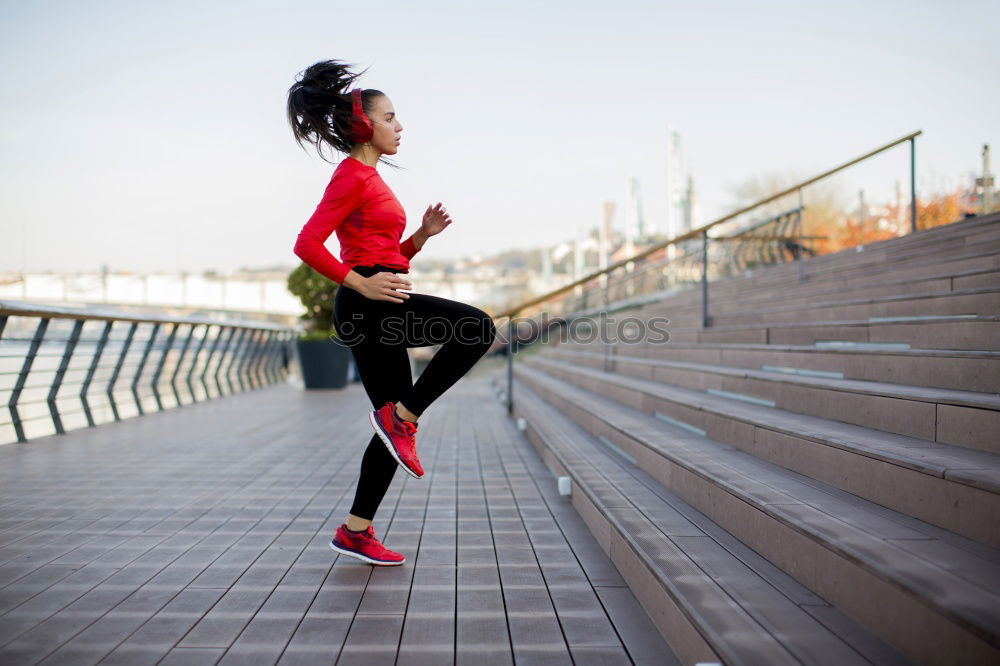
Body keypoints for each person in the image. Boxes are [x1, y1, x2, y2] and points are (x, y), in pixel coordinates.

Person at [287, 59, 497, 566]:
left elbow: (387, 254)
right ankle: (403, 418)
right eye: (390, 117)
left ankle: (356, 530)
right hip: (368, 304)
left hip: (380, 299)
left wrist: (421, 237)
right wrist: (360, 282)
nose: (400, 126)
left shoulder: (371, 179)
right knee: (477, 327)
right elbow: (307, 243)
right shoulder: (352, 177)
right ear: (365, 125)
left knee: (389, 431)